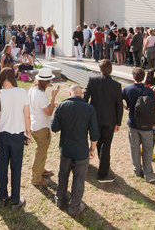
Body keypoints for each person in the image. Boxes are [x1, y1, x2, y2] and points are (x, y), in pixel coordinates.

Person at [52, 85, 99, 217]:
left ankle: (59, 199)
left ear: (70, 93)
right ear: (81, 94)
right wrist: (92, 148)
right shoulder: (89, 108)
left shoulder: (62, 106)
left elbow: (54, 127)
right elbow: (94, 134)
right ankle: (74, 208)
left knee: (63, 175)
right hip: (81, 150)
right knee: (79, 180)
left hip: (66, 148)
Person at [0, 68, 31, 209]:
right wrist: (29, 133)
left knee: (2, 166)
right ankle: (15, 199)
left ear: (1, 79)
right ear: (13, 78)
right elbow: (27, 115)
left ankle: (2, 195)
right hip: (18, 135)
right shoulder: (22, 93)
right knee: (16, 167)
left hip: (2, 135)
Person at [83, 59, 123, 182]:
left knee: (97, 141)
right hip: (109, 120)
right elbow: (119, 105)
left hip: (94, 118)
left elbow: (85, 97)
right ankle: (103, 173)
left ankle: (100, 166)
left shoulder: (93, 81)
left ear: (100, 70)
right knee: (105, 145)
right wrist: (118, 122)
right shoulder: (116, 85)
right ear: (111, 70)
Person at [122, 67, 155, 182]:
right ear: (143, 77)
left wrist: (126, 107)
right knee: (148, 149)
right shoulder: (148, 90)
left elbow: (118, 100)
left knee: (134, 147)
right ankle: (148, 173)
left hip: (133, 123)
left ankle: (137, 170)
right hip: (147, 125)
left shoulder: (127, 89)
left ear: (133, 77)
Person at [29, 68, 60, 186]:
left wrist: (50, 103)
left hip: (35, 124)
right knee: (41, 152)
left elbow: (40, 107)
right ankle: (36, 179)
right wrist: (53, 98)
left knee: (41, 151)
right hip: (41, 126)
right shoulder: (41, 94)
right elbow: (48, 112)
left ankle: (40, 170)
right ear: (46, 82)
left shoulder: (32, 89)